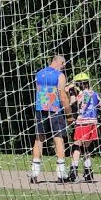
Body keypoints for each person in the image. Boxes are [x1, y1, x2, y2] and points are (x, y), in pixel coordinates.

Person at [30, 54, 69, 183]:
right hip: (55, 110)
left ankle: (34, 173)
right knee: (58, 139)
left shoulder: (39, 73)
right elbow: (62, 96)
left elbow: (38, 90)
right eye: (64, 64)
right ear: (59, 62)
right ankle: (61, 174)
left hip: (40, 109)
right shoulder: (60, 75)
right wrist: (69, 114)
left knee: (39, 139)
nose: (64, 67)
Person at [68, 72, 101, 183]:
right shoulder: (95, 93)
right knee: (86, 147)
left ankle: (73, 170)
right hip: (93, 122)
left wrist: (71, 92)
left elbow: (73, 102)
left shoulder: (83, 94)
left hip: (83, 122)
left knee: (77, 146)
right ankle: (88, 171)